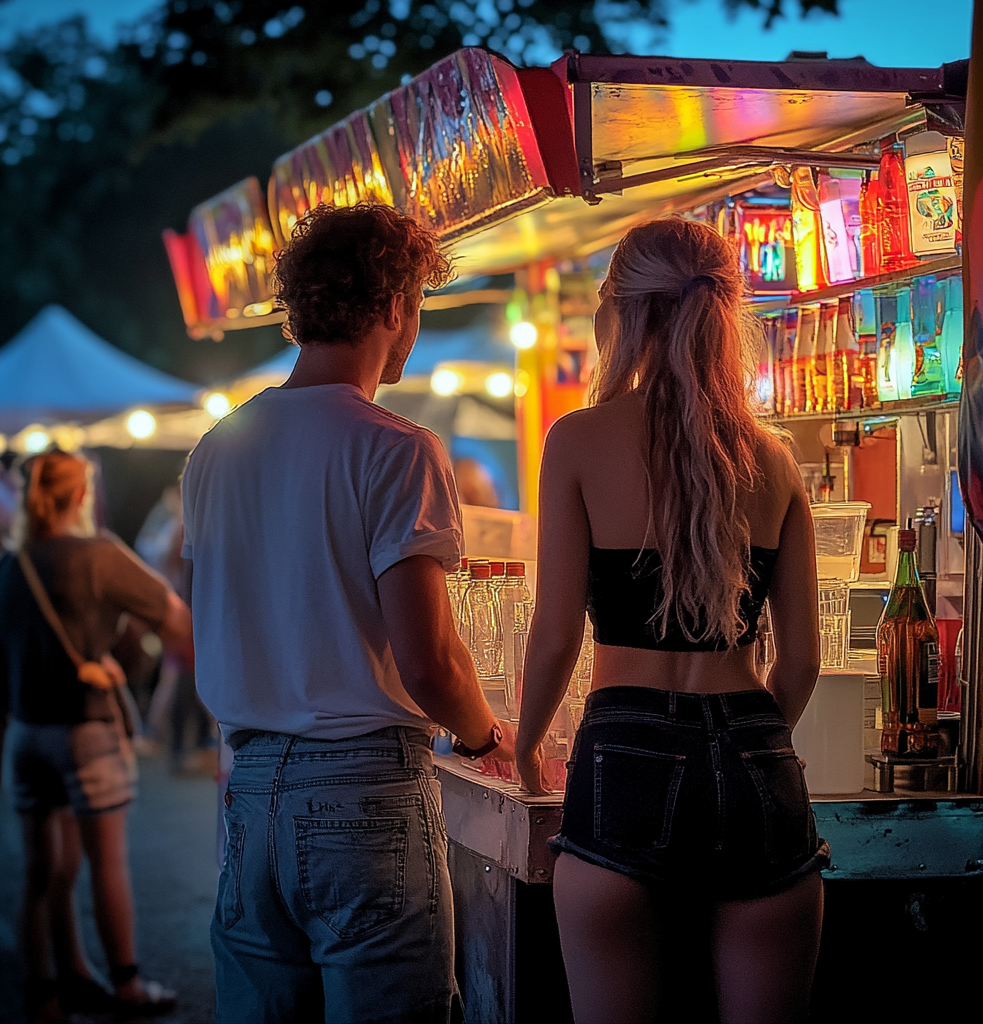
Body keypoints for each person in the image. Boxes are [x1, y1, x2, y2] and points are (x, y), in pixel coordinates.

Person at [181, 202, 514, 1024]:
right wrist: (486, 738)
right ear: (396, 306)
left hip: (249, 789)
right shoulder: (396, 448)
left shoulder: (217, 449)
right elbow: (429, 659)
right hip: (365, 794)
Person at [515, 218, 829, 1024]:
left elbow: (556, 634)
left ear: (620, 311)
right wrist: (744, 743)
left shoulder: (579, 440)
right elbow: (799, 666)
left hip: (625, 748)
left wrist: (523, 749)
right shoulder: (775, 457)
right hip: (758, 756)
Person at [0, 449, 193, 1022]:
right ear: (82, 494)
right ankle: (128, 985)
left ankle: (50, 989)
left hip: (26, 733)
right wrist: (119, 640)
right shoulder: (99, 555)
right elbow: (175, 620)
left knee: (43, 871)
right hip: (85, 728)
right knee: (104, 859)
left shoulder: (12, 565)